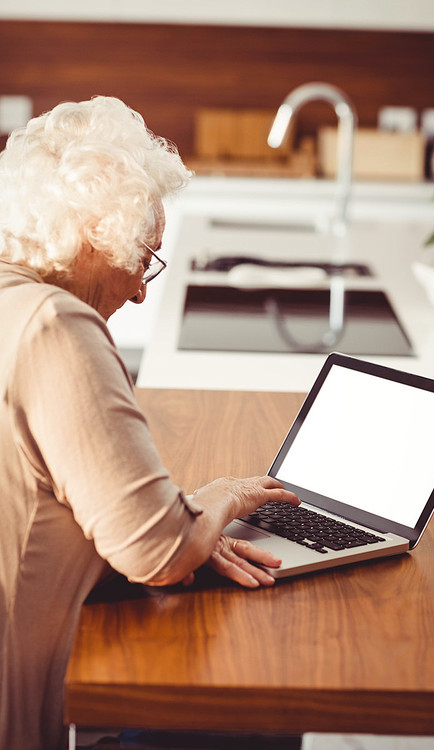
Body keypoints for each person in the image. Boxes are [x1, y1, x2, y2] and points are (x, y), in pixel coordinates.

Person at [0, 96, 300, 750]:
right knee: (265, 716)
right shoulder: (55, 327)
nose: (141, 289)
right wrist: (217, 500)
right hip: (26, 720)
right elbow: (159, 554)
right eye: (143, 257)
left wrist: (184, 527)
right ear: (92, 234)